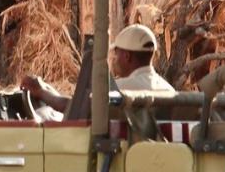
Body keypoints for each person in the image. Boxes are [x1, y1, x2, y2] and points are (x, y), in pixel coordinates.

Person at [21, 24, 174, 116]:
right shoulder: (168, 89)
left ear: (127, 56)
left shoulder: (122, 89)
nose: (114, 59)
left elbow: (77, 109)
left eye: (116, 53)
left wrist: (41, 91)